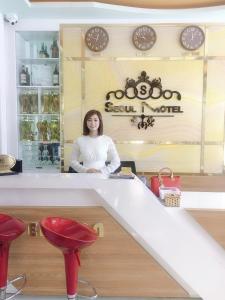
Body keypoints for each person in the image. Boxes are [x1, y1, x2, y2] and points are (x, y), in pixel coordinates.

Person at [70, 109, 120, 174]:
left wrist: (102, 171)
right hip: (85, 177)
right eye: (89, 120)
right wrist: (86, 170)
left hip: (103, 177)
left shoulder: (107, 140)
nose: (92, 123)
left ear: (100, 122)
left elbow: (116, 161)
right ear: (86, 122)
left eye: (95, 120)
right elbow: (72, 161)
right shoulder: (79, 140)